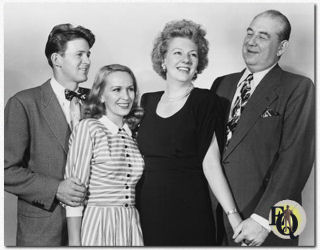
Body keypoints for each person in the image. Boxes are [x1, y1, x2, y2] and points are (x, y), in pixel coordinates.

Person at [210, 10, 314, 246]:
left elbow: (295, 160)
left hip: (263, 225)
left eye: (263, 36)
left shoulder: (298, 88)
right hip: (217, 217)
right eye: (249, 33)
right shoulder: (221, 84)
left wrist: (263, 219)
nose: (251, 41)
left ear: (281, 47)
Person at [136, 19, 242, 246]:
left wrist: (233, 216)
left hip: (188, 209)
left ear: (198, 63)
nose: (186, 60)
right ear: (163, 59)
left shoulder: (205, 101)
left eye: (193, 55)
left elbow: (211, 163)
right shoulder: (147, 101)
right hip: (147, 209)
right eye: (178, 53)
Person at [4, 23, 95, 246]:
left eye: (89, 54)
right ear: (57, 59)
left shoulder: (98, 102)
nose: (87, 61)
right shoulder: (23, 103)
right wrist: (56, 189)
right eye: (80, 55)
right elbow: (5, 170)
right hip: (43, 230)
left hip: (94, 225)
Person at [65, 64, 144, 246]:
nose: (126, 97)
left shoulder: (131, 134)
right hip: (98, 224)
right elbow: (75, 192)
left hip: (130, 224)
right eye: (116, 90)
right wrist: (74, 243)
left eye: (130, 89)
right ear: (101, 94)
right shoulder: (89, 128)